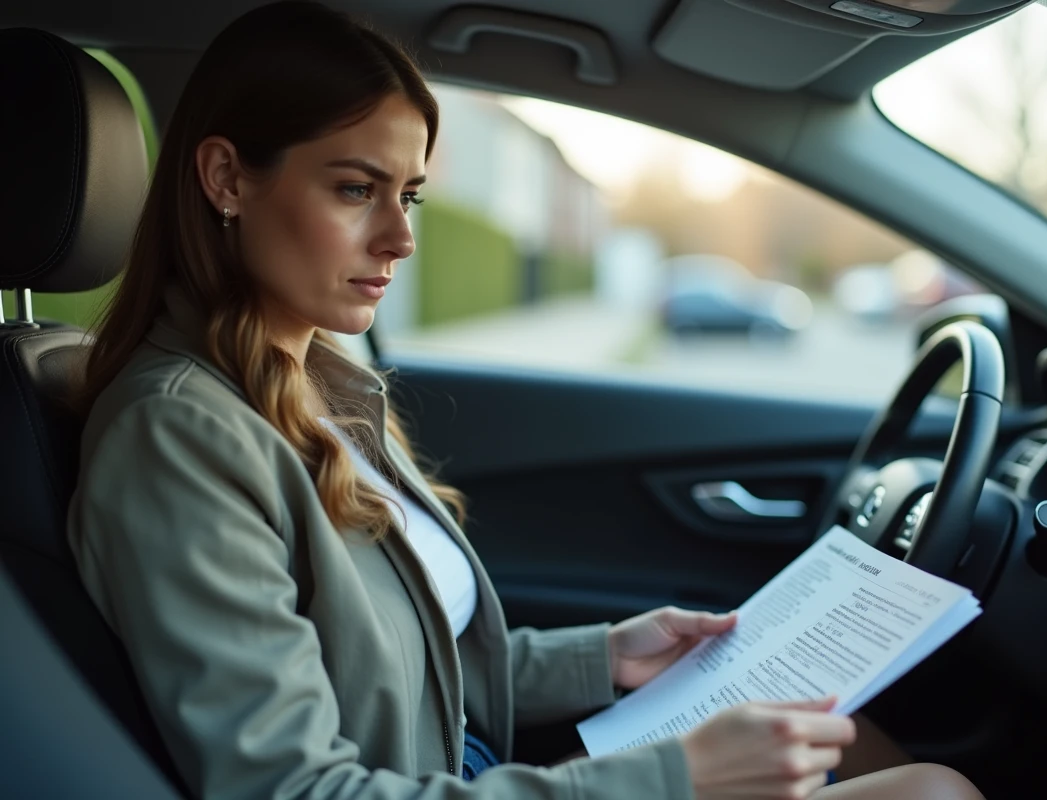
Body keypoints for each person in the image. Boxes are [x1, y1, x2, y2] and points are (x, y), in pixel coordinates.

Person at [67, 3, 987, 799]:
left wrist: (609, 658)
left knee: (834, 730)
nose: (400, 239)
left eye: (412, 197)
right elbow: (295, 788)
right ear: (227, 178)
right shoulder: (179, 433)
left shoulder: (315, 390)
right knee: (932, 790)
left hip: (464, 765)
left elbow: (399, 669)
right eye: (356, 189)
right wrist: (680, 780)